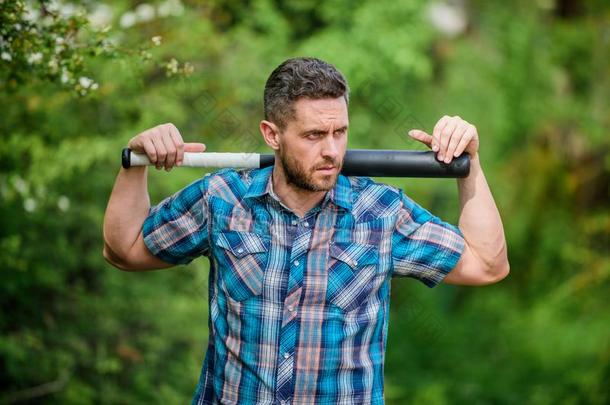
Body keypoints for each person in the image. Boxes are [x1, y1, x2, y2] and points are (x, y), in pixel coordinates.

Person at [103, 57, 509, 405]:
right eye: (314, 135)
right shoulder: (223, 199)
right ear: (272, 135)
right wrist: (135, 163)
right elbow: (124, 250)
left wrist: (469, 164)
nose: (332, 151)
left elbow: (487, 265)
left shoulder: (380, 213)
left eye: (340, 133)